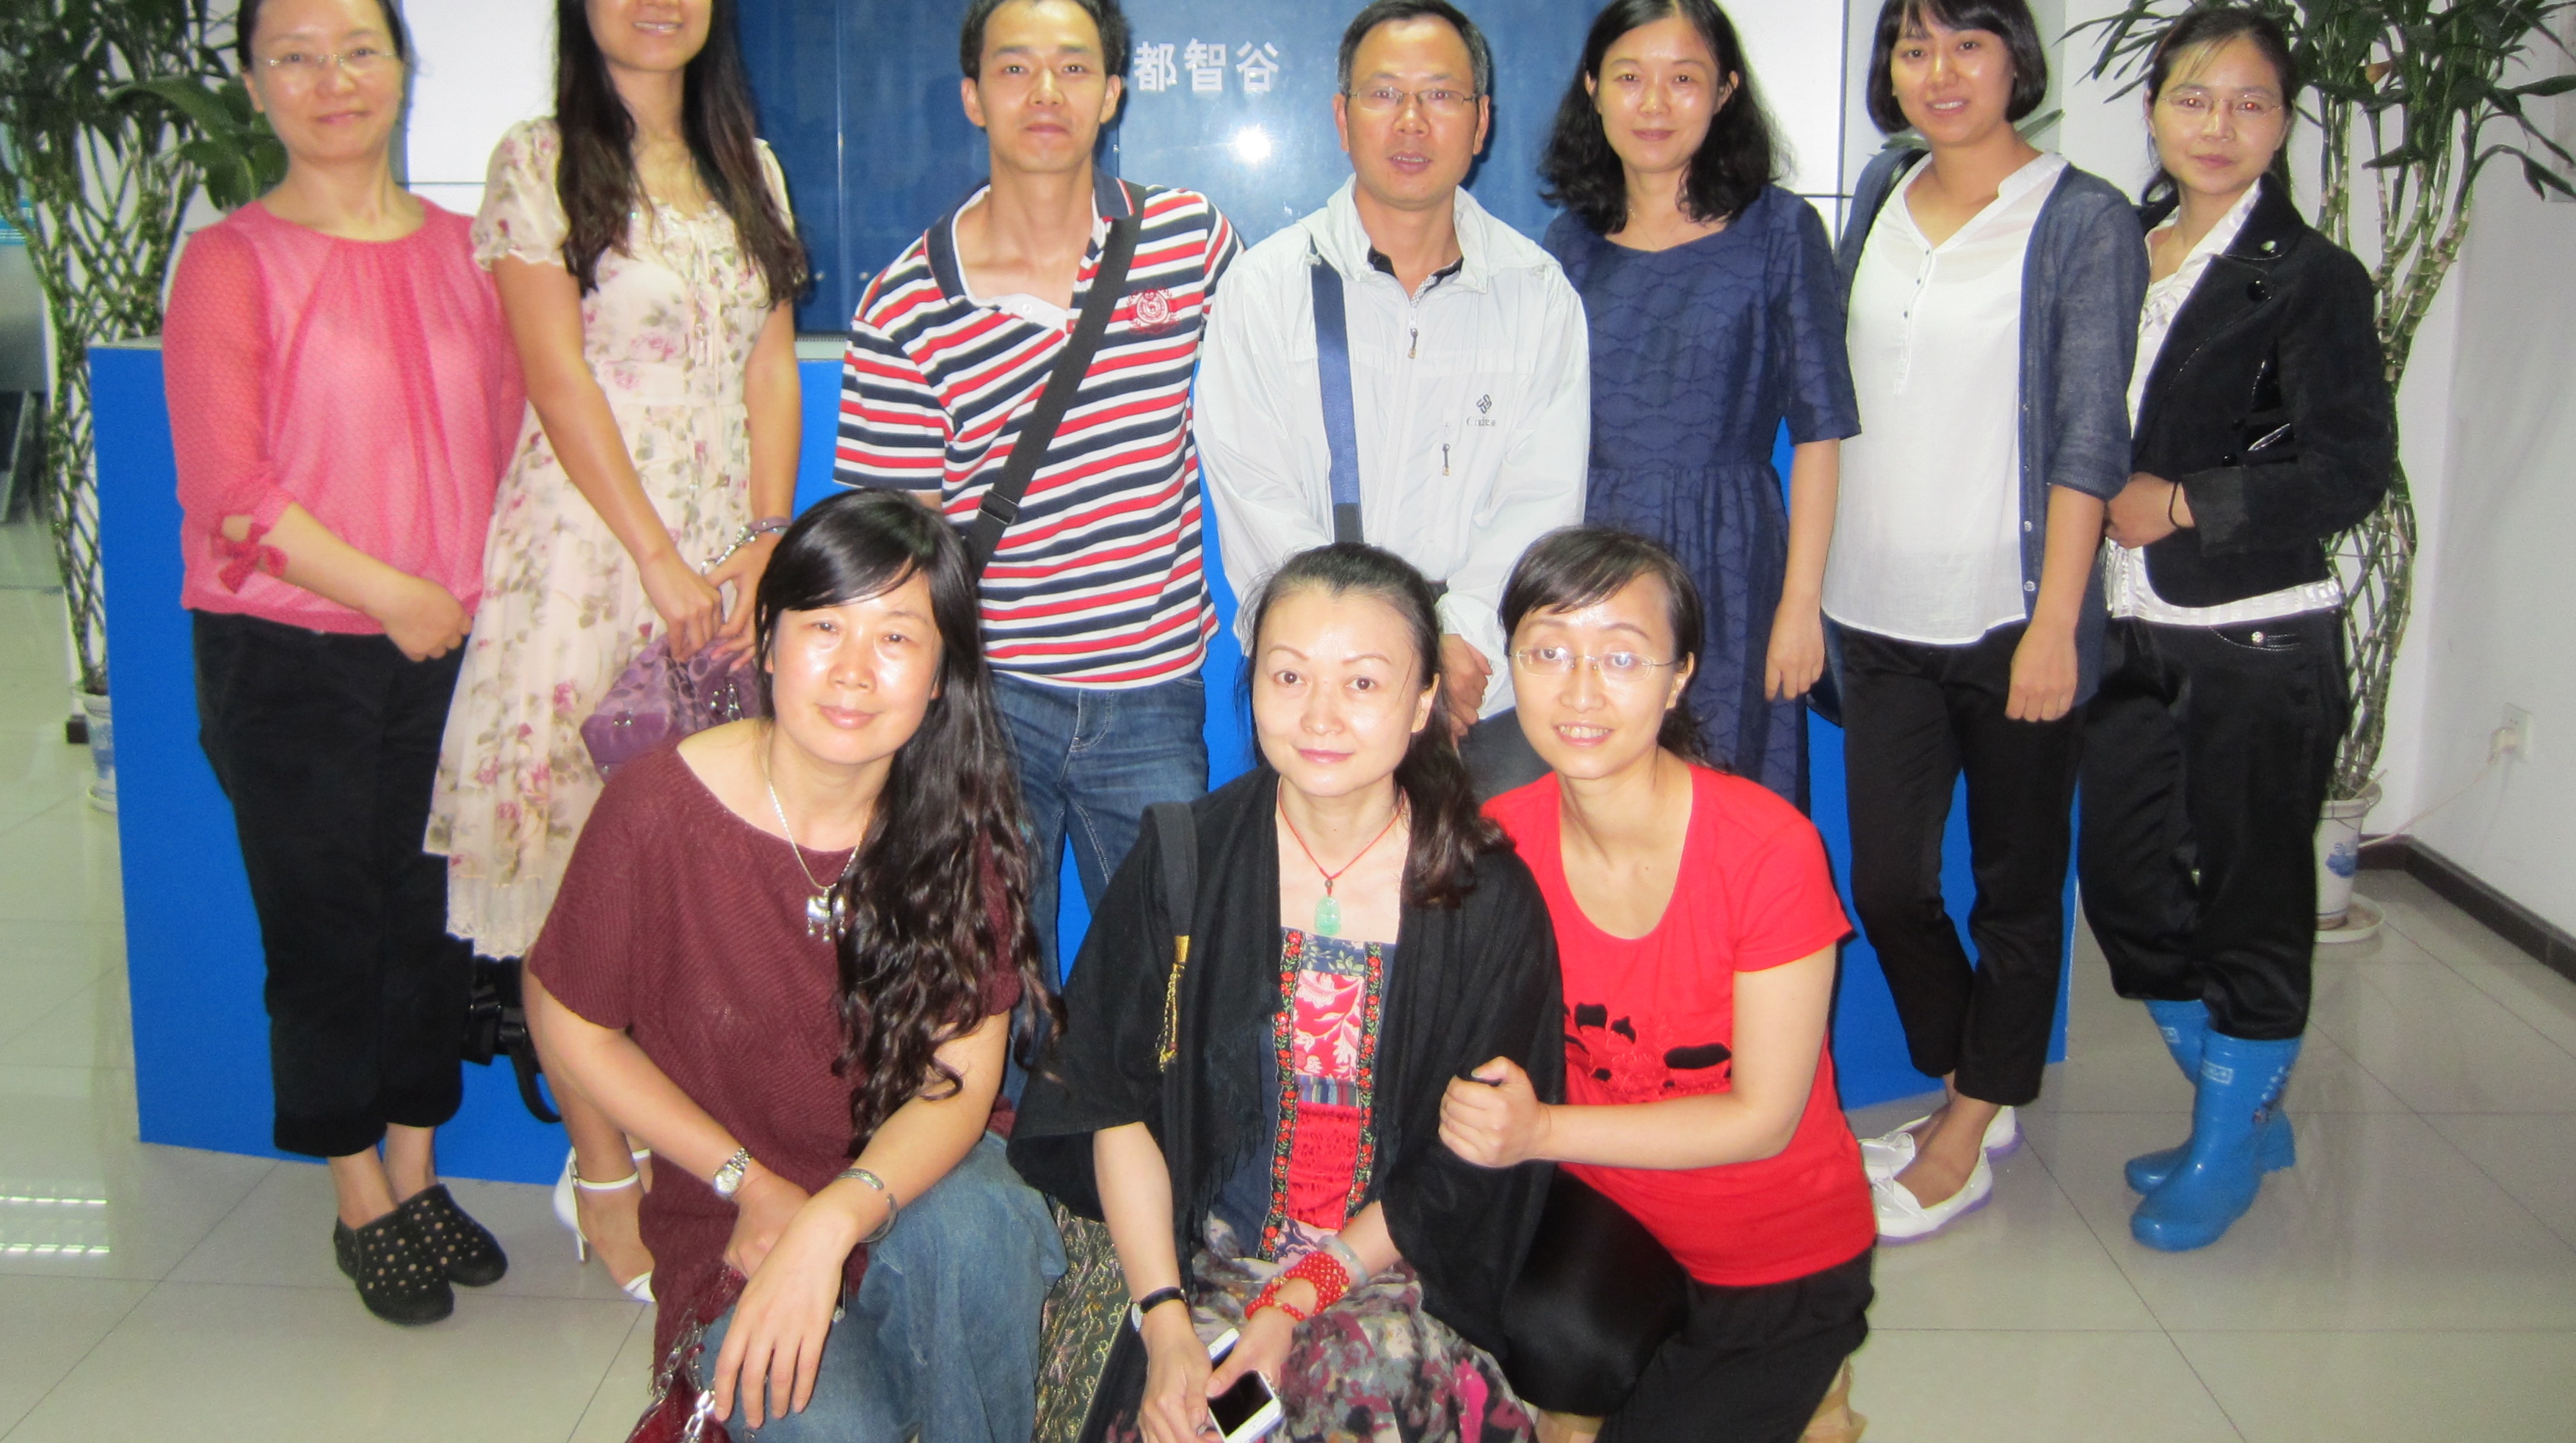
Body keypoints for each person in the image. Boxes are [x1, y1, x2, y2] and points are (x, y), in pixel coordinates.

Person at [427, 0, 808, 1300]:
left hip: (725, 569)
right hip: (590, 563)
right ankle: (601, 1176)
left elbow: (770, 370)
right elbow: (557, 376)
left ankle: (675, 1150)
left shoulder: (750, 167)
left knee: (694, 884)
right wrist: (654, 555)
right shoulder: (538, 160)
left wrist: (763, 538)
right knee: (572, 882)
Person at [525, 490, 1064, 1439]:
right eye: (824, 627)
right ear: (768, 641)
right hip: (736, 1214)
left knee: (979, 1236)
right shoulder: (658, 810)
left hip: (918, 1180)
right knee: (830, 1422)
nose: (854, 671)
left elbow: (961, 1086)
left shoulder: (957, 828)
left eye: (896, 638)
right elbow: (573, 1019)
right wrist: (749, 1182)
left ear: (942, 674)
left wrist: (833, 1218)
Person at [1011, 542, 1564, 1443]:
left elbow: (1460, 1171)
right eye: (1290, 675)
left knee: (1353, 1386)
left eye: (1363, 683)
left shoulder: (1484, 899)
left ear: (1423, 700)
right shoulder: (1184, 860)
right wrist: (1165, 1324)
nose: (1320, 715)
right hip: (1188, 1260)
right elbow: (1109, 1099)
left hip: (1392, 1269)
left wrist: (1300, 1296)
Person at [163, 0, 523, 1326]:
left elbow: (512, 444)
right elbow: (230, 490)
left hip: (455, 652)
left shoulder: (467, 252)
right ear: (255, 85)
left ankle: (420, 1173)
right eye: (296, 55)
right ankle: (356, 1191)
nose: (333, 80)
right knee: (322, 928)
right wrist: (393, 595)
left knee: (434, 923)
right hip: (291, 658)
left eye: (358, 48)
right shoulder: (230, 262)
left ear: (402, 67)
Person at [1820, 0, 2145, 1241]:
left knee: (2016, 886)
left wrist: (2057, 621)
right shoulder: (1878, 192)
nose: (1939, 72)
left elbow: (2087, 435)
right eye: (1913, 47)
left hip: (2013, 614)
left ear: (2016, 59)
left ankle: (1966, 1126)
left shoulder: (2081, 217)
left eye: (1966, 44)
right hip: (1872, 612)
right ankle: (1978, 1075)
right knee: (1890, 886)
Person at [836, 0, 1238, 974]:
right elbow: (893, 549)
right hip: (991, 699)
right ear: (973, 96)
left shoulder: (1189, 244)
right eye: (1015, 70)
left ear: (1113, 93)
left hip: (1153, 691)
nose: (1046, 93)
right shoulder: (906, 303)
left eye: (1074, 68)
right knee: (993, 990)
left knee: (1175, 982)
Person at [2078, 8, 2394, 1251]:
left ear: (2282, 123)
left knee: (2253, 901)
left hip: (2258, 636)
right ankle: (2247, 1109)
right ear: (2154, 109)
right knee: (2123, 888)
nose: (2218, 126)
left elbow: (2349, 467)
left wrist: (2185, 503)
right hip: (2122, 628)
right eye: (2194, 98)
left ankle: (2227, 1140)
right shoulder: (2117, 249)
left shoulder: (2307, 278)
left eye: (2250, 102)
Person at [1449, 527, 1876, 1443]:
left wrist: (1540, 1131)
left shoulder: (1766, 851)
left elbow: (1763, 1118)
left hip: (1776, 1245)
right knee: (1541, 1336)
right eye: (1548, 652)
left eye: (1621, 657)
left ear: (1679, 677)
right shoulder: (1501, 841)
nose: (1580, 691)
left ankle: (1816, 1388)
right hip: (1611, 1213)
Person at [1195, 0, 1590, 798]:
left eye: (1441, 95)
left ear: (1481, 123)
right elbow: (1256, 495)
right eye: (1384, 94)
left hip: (1481, 691)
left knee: (1490, 879)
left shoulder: (1537, 292)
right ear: (1342, 118)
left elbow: (1542, 502)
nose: (1412, 121)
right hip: (1324, 692)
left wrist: (1455, 649)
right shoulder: (1264, 289)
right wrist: (1368, 659)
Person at [1536, 0, 1857, 807]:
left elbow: (1820, 431)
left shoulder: (1780, 231)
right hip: (1595, 554)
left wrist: (1801, 604)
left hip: (1733, 559)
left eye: (1683, 78)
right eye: (1628, 76)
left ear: (1725, 91)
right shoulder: (1567, 245)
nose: (1654, 103)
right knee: (1601, 798)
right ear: (1592, 88)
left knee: (1729, 800)